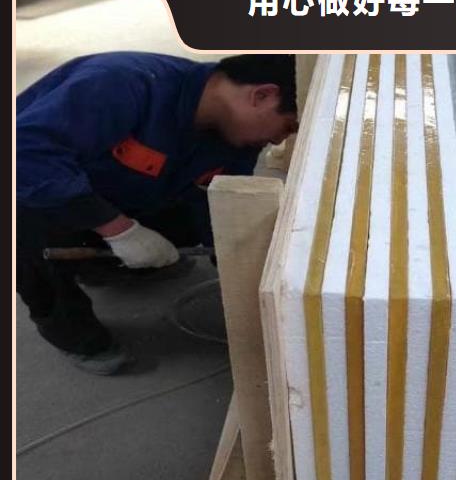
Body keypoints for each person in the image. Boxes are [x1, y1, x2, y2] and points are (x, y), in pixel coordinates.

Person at [16, 52, 298, 374]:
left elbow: (220, 207)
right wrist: (119, 230)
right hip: (30, 183)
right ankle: (72, 334)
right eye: (287, 126)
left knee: (195, 217)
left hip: (114, 190)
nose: (279, 139)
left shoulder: (235, 138)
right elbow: (24, 154)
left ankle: (98, 264)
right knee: (28, 236)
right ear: (262, 95)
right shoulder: (120, 84)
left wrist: (241, 270)